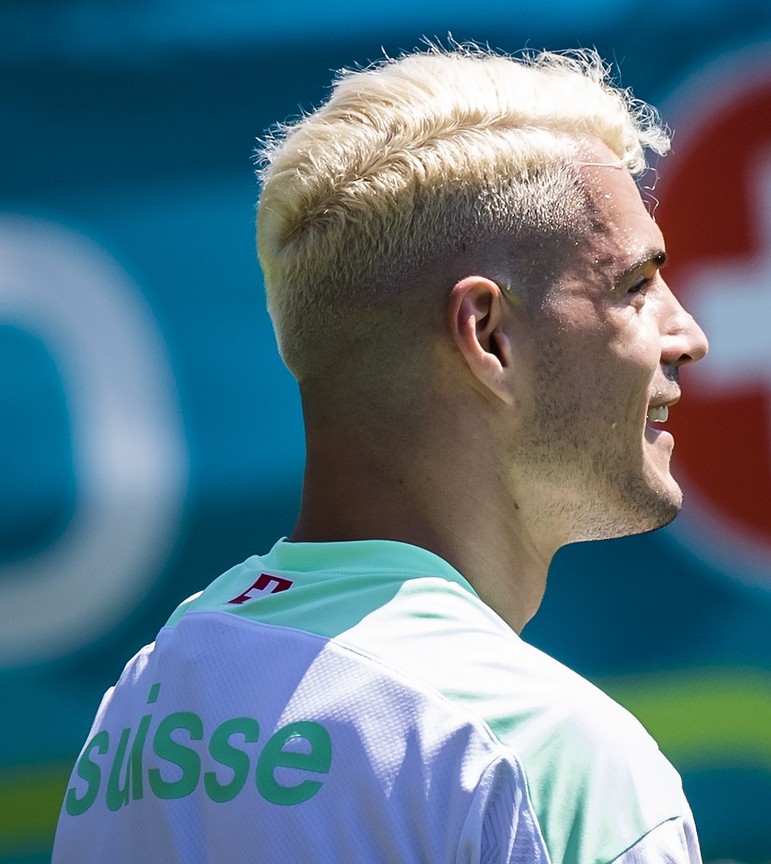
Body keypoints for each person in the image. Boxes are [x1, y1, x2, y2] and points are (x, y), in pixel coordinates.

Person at [53, 44, 709, 863]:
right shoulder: (545, 754)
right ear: (489, 336)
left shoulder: (141, 710)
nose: (688, 335)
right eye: (636, 285)